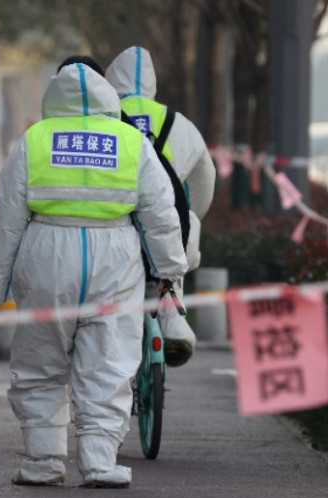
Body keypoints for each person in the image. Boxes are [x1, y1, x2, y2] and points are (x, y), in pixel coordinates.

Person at [0, 63, 187, 488]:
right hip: (116, 257)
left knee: (41, 360)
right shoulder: (132, 142)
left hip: (47, 253)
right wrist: (169, 271)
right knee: (108, 362)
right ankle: (99, 461)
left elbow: (6, 217)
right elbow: (161, 214)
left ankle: (43, 460)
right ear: (109, 98)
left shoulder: (34, 140)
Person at [105, 46, 216, 367]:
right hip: (171, 233)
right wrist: (194, 216)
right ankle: (173, 317)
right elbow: (203, 183)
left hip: (116, 232)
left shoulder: (102, 121)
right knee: (174, 241)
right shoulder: (180, 123)